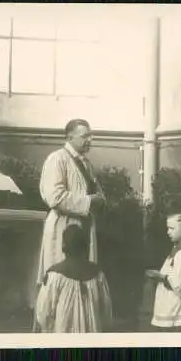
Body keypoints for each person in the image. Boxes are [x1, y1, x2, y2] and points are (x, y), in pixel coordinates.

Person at [36, 118, 106, 287]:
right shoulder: (57, 159)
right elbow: (54, 196)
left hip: (85, 225)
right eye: (85, 136)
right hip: (63, 225)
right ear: (69, 138)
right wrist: (89, 202)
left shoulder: (87, 164)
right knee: (62, 279)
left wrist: (100, 201)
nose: (90, 140)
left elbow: (99, 195)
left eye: (91, 136)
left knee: (85, 279)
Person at [34, 225, 113, 332]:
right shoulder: (98, 275)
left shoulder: (54, 275)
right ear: (85, 246)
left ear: (64, 246)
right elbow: (106, 315)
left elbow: (43, 314)